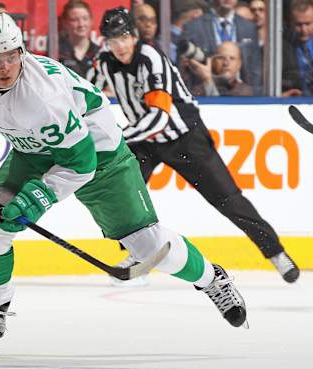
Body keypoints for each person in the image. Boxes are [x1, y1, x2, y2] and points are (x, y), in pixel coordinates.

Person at [0, 12, 248, 356]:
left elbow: (80, 163)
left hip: (99, 154)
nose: (3, 66)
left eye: (10, 57)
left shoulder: (43, 97)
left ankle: (212, 279)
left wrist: (38, 197)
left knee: (146, 243)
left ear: (22, 52)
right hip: (33, 151)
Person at [94, 7, 299, 283]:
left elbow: (159, 116)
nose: (118, 45)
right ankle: (139, 254)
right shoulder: (105, 61)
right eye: (112, 39)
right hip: (145, 142)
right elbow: (91, 93)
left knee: (227, 198)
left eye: (123, 36)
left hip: (185, 138)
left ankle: (275, 252)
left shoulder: (150, 59)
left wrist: (120, 138)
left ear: (134, 35)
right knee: (125, 193)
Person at [180, 0, 263, 94]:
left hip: (241, 96)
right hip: (204, 95)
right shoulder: (193, 27)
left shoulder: (249, 28)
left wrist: (254, 97)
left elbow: (254, 69)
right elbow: (183, 67)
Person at [186, 41, 254, 96]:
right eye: (221, 58)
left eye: (232, 58)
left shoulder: (245, 91)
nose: (226, 63)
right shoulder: (199, 90)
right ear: (213, 61)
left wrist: (207, 81)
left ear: (239, 64)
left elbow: (221, 110)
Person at [58, 0, 100, 79]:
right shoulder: (57, 53)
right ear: (65, 23)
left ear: (91, 21)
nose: (81, 24)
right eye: (75, 20)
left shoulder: (100, 54)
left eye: (85, 18)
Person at [282, 0, 313, 97]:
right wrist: (280, 95)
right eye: (298, 25)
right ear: (291, 22)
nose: (304, 30)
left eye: (308, 24)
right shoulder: (280, 47)